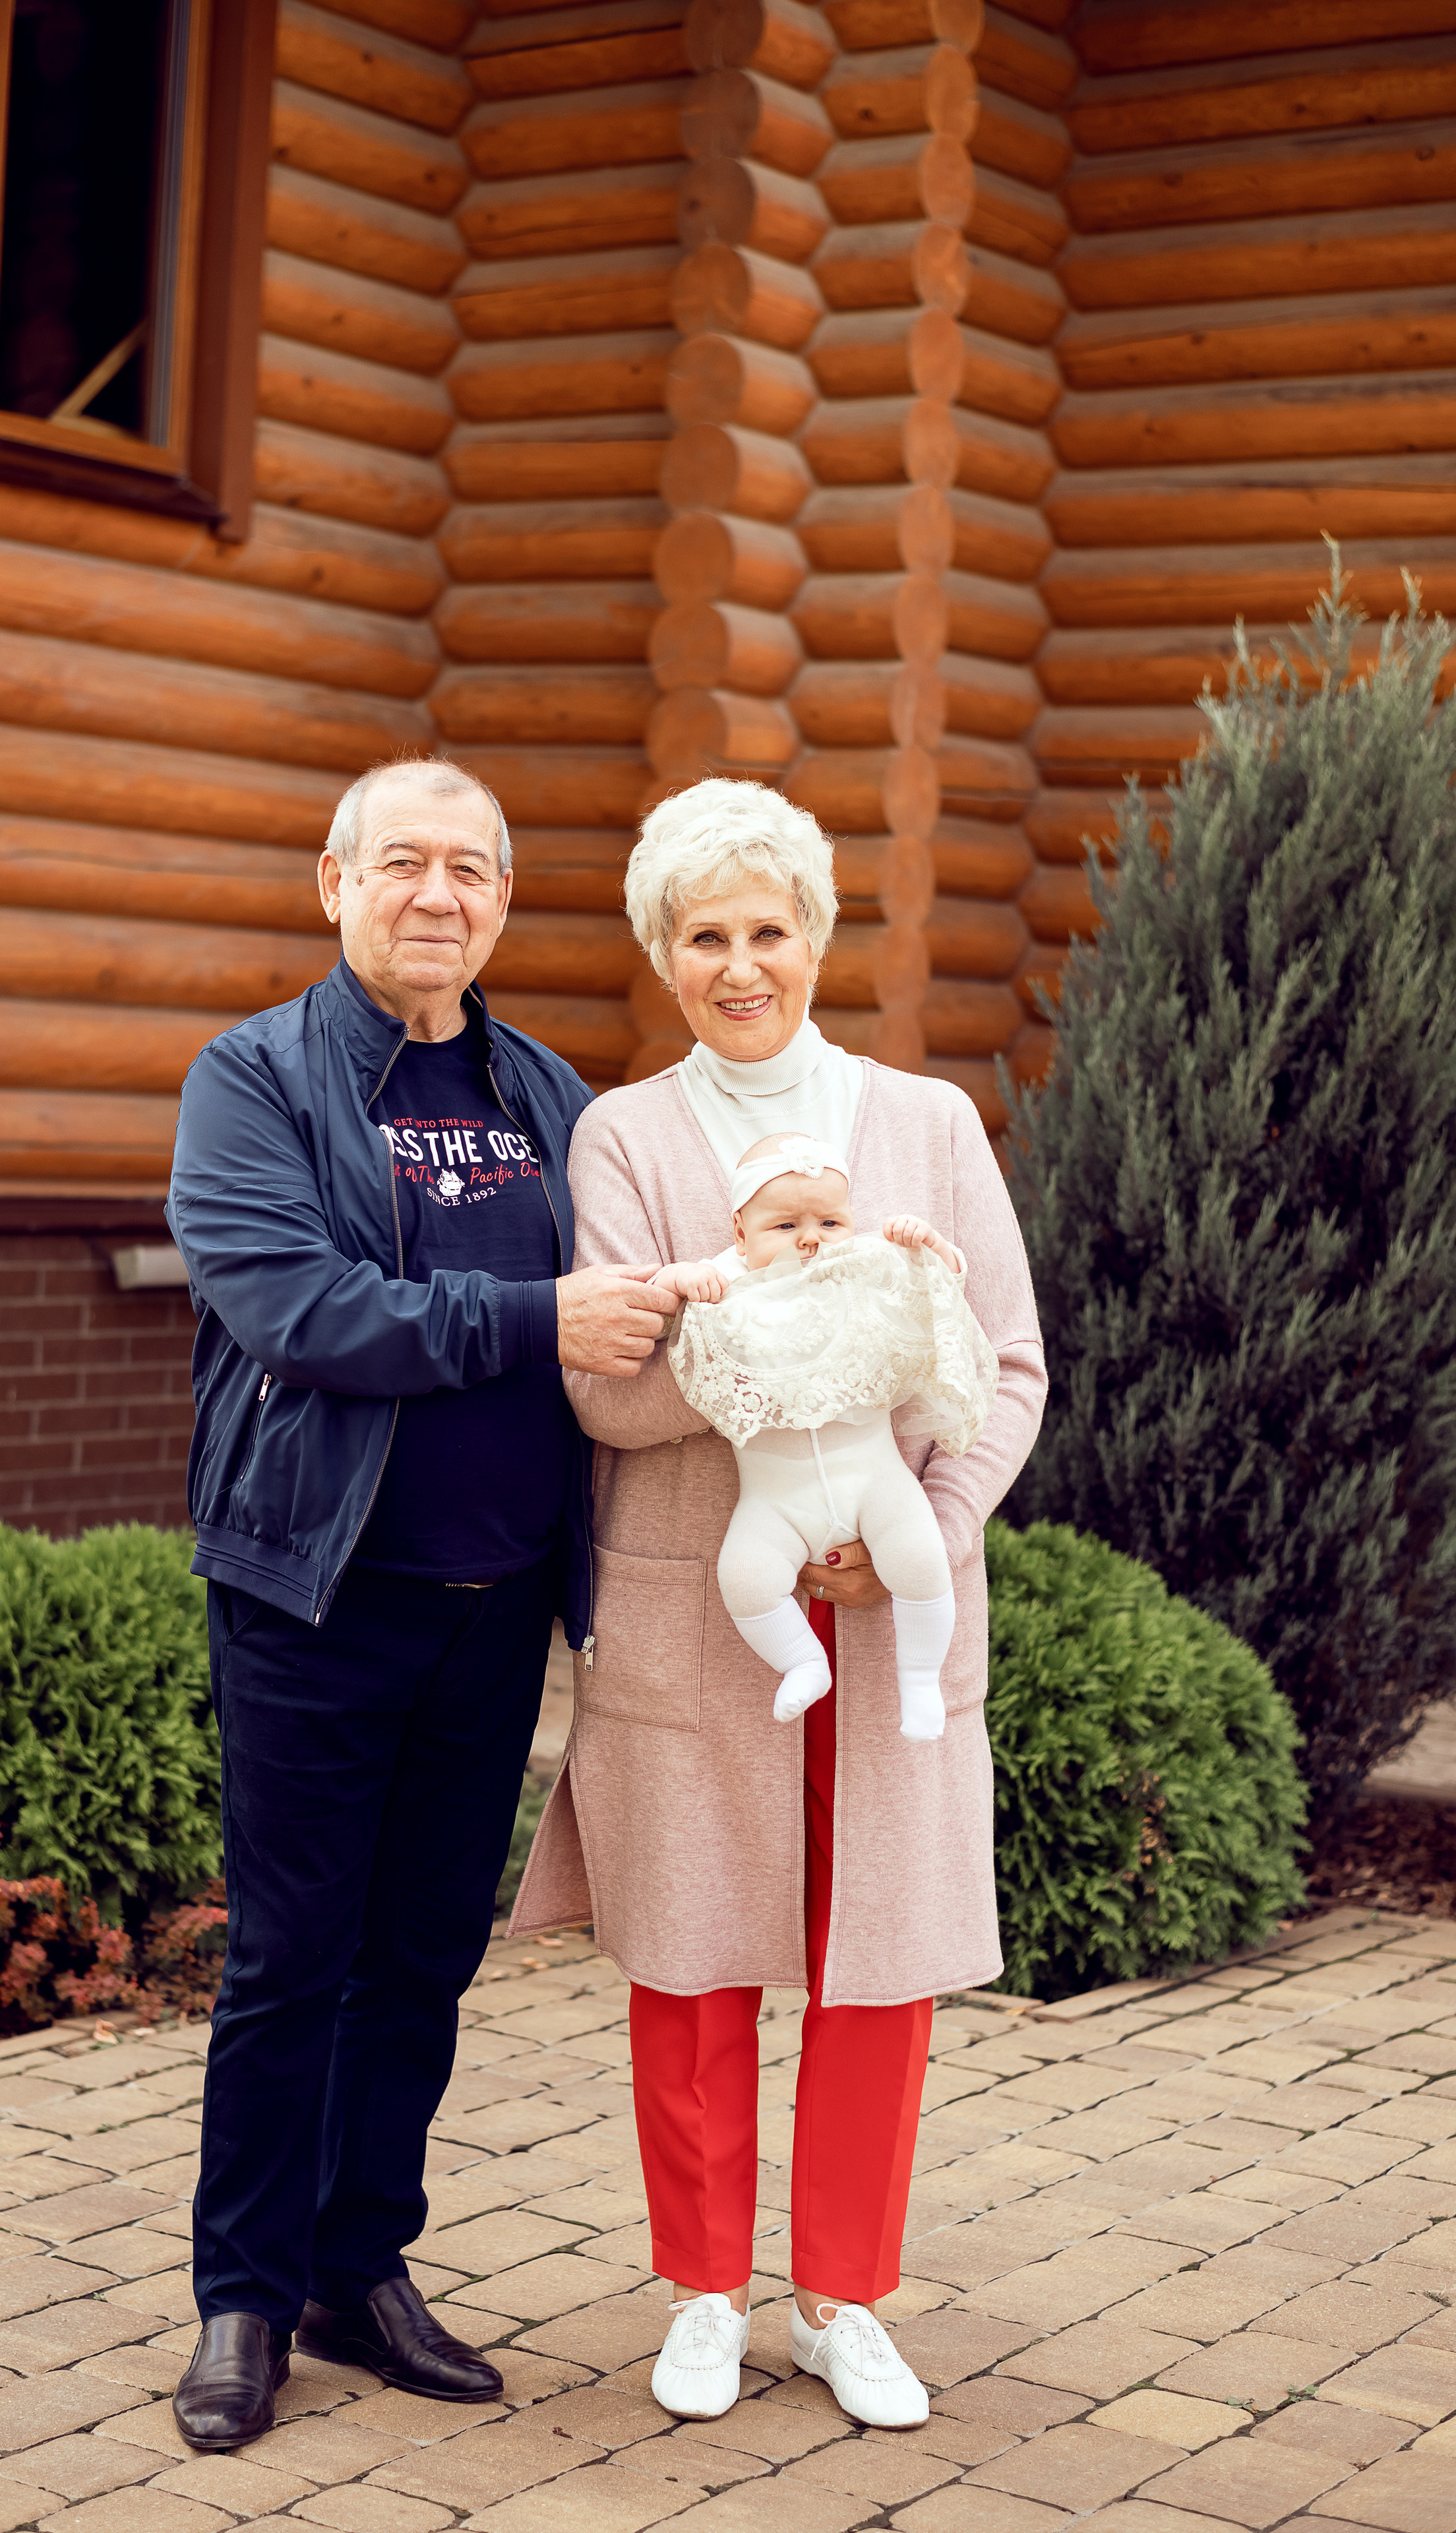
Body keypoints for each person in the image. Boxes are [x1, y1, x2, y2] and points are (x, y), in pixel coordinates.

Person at [508, 778, 1046, 2431]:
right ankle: (701, 2290)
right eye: (702, 936)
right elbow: (606, 1391)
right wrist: (793, 1336)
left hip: (885, 1604)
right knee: (690, 1956)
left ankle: (840, 2298)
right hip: (702, 1602)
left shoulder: (929, 1126)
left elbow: (1007, 1365)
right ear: (660, 953)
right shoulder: (623, 1138)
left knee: (873, 1962)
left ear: (815, 934)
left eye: (766, 929)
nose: (738, 965)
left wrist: (925, 1528)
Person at [164, 757, 671, 2452]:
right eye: (401, 862)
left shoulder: (551, 1094)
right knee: (290, 1956)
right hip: (316, 1593)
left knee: (422, 1958)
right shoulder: (251, 1077)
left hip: (495, 1599)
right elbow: (299, 1306)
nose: (435, 893)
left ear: (504, 901)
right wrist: (531, 1317)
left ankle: (354, 2264)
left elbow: (647, 1303)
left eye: (469, 868)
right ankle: (242, 2298)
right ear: (335, 883)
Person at [652, 1131, 997, 1733]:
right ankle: (802, 1662)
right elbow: (659, 1313)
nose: (811, 1238)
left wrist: (930, 1245)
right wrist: (676, 1281)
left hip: (875, 1481)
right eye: (786, 1226)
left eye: (830, 1222)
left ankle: (921, 1680)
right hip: (775, 1501)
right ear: (741, 1233)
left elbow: (942, 1285)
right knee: (746, 1577)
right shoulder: (723, 1278)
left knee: (921, 1558)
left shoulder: (859, 1263)